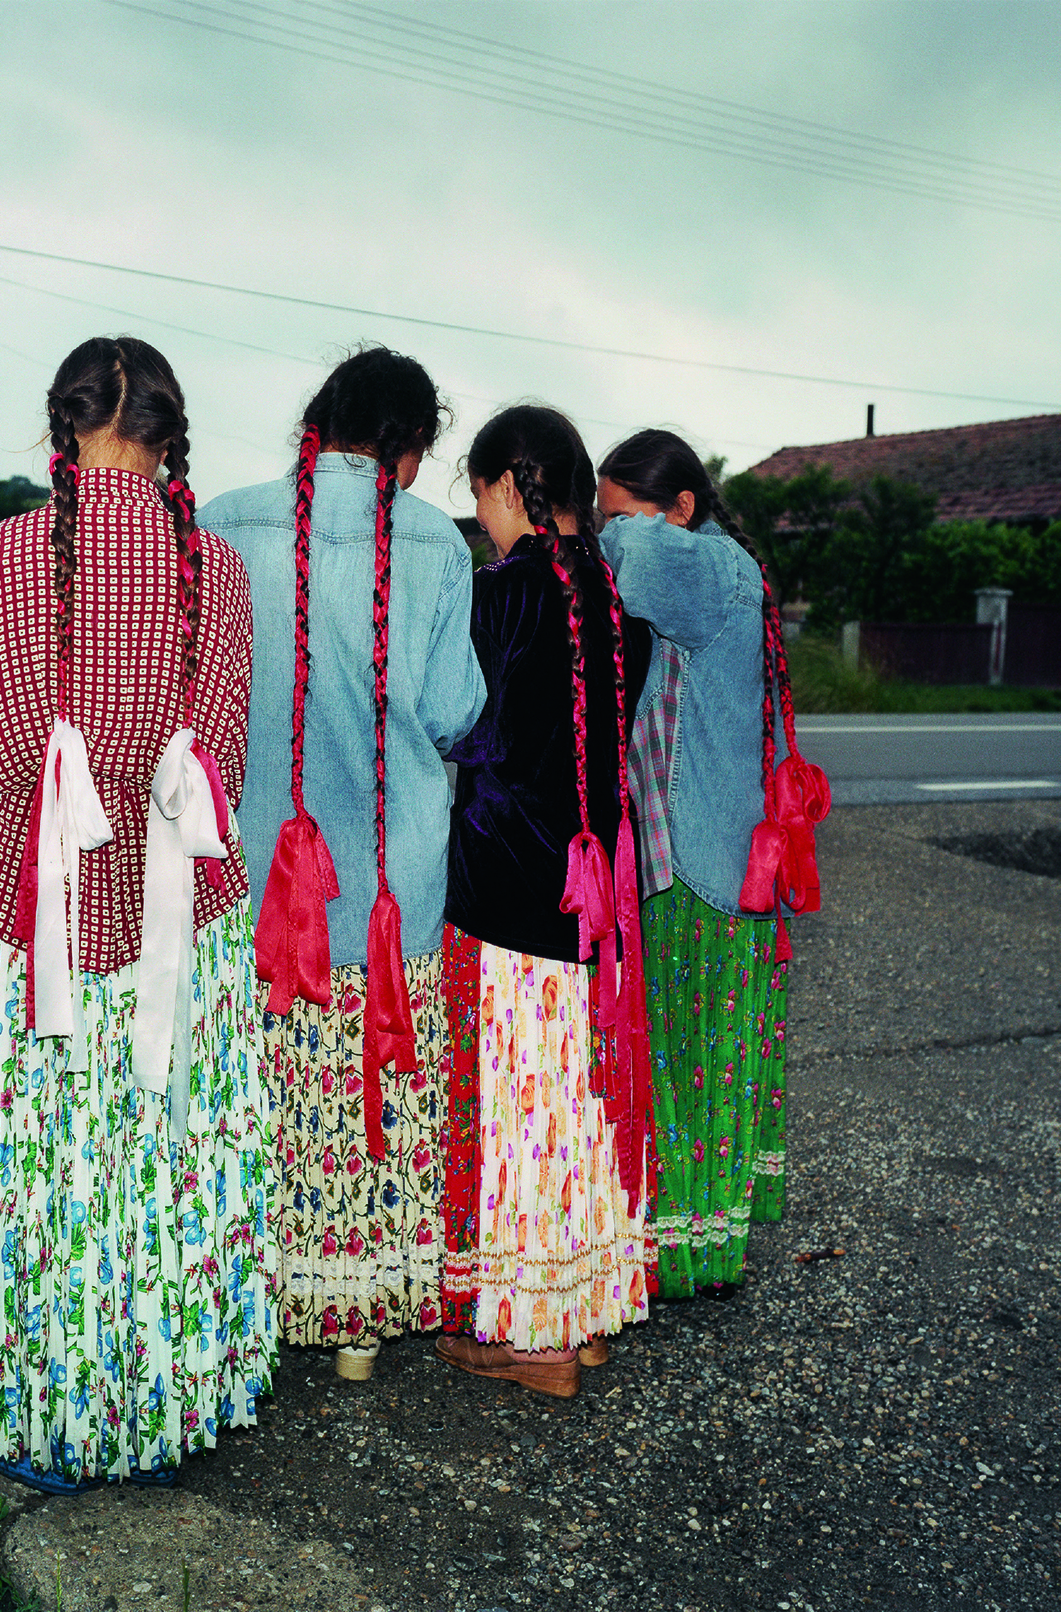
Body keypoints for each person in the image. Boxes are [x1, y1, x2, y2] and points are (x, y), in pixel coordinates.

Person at [0, 336, 274, 1490]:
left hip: (41, 910)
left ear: (58, 426)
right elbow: (218, 752)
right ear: (168, 436)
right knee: (166, 1153)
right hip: (177, 904)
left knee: (49, 1161)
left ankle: (49, 1410)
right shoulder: (213, 571)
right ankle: (167, 1404)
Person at [198, 349, 485, 1381]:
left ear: (313, 427)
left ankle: (259, 1295)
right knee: (380, 1088)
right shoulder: (435, 548)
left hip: (264, 880)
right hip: (392, 878)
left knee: (271, 1091)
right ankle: (363, 1323)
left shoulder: (224, 522)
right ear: (408, 448)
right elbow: (455, 713)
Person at [438, 405, 655, 1400]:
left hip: (509, 888)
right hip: (594, 895)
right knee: (576, 1103)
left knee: (522, 1110)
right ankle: (583, 1310)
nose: (478, 516)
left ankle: (531, 1338)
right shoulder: (617, 602)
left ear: (501, 487)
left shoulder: (500, 595)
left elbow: (469, 734)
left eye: (477, 494)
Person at [595, 427, 800, 1298]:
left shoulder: (711, 569)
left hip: (702, 869)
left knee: (690, 1061)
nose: (607, 533)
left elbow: (628, 565)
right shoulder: (716, 565)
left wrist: (584, 527)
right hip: (704, 859)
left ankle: (688, 1258)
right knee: (702, 1060)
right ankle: (701, 1250)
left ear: (683, 507)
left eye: (623, 513)